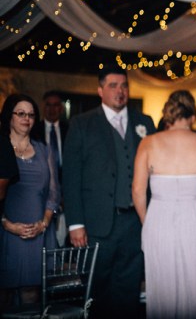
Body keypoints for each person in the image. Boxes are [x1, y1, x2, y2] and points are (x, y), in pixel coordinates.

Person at [63, 66, 156, 319]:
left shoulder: (144, 122)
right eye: (113, 85)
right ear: (100, 90)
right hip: (97, 223)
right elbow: (70, 177)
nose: (120, 91)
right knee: (96, 289)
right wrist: (75, 224)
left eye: (124, 85)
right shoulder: (82, 124)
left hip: (135, 222)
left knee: (129, 288)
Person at [132, 90, 196, 319]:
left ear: (168, 114)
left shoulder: (148, 143)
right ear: (193, 116)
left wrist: (147, 221)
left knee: (164, 285)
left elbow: (138, 190)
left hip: (159, 218)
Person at [0, 94, 59, 305]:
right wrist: (7, 224)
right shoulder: (1, 148)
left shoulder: (44, 149)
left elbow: (54, 192)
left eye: (31, 115)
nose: (27, 119)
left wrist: (43, 223)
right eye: (21, 113)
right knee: (4, 295)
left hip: (39, 233)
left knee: (32, 295)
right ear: (9, 117)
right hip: (6, 232)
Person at [34, 90, 69, 246]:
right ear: (43, 107)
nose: (52, 109)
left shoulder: (70, 129)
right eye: (48, 105)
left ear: (61, 108)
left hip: (66, 189)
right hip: (42, 189)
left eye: (55, 105)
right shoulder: (34, 130)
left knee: (64, 236)